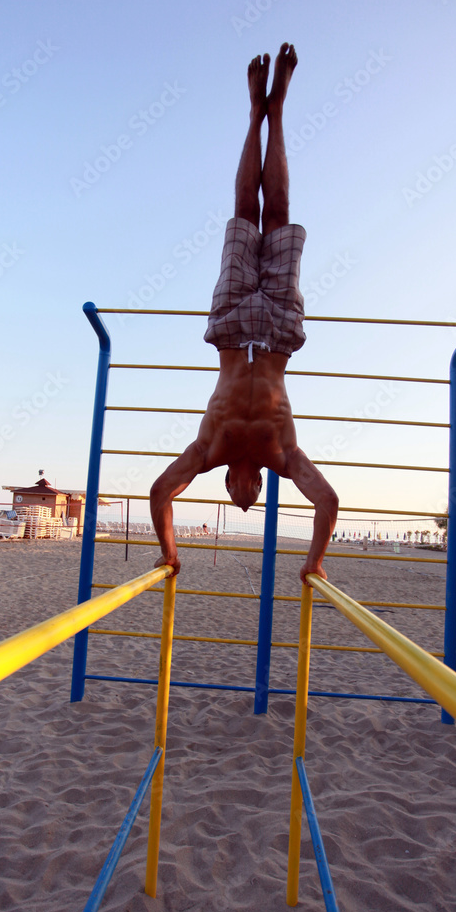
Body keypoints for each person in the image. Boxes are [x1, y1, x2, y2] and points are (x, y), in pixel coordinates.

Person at [150, 44, 339, 583]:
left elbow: (161, 491)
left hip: (233, 327)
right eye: (253, 499)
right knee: (277, 214)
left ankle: (255, 110)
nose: (248, 496)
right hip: (279, 331)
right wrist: (315, 563)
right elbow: (327, 501)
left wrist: (170, 552)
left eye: (241, 499)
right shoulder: (283, 455)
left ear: (228, 485)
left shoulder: (208, 450)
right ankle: (278, 110)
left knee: (243, 214)